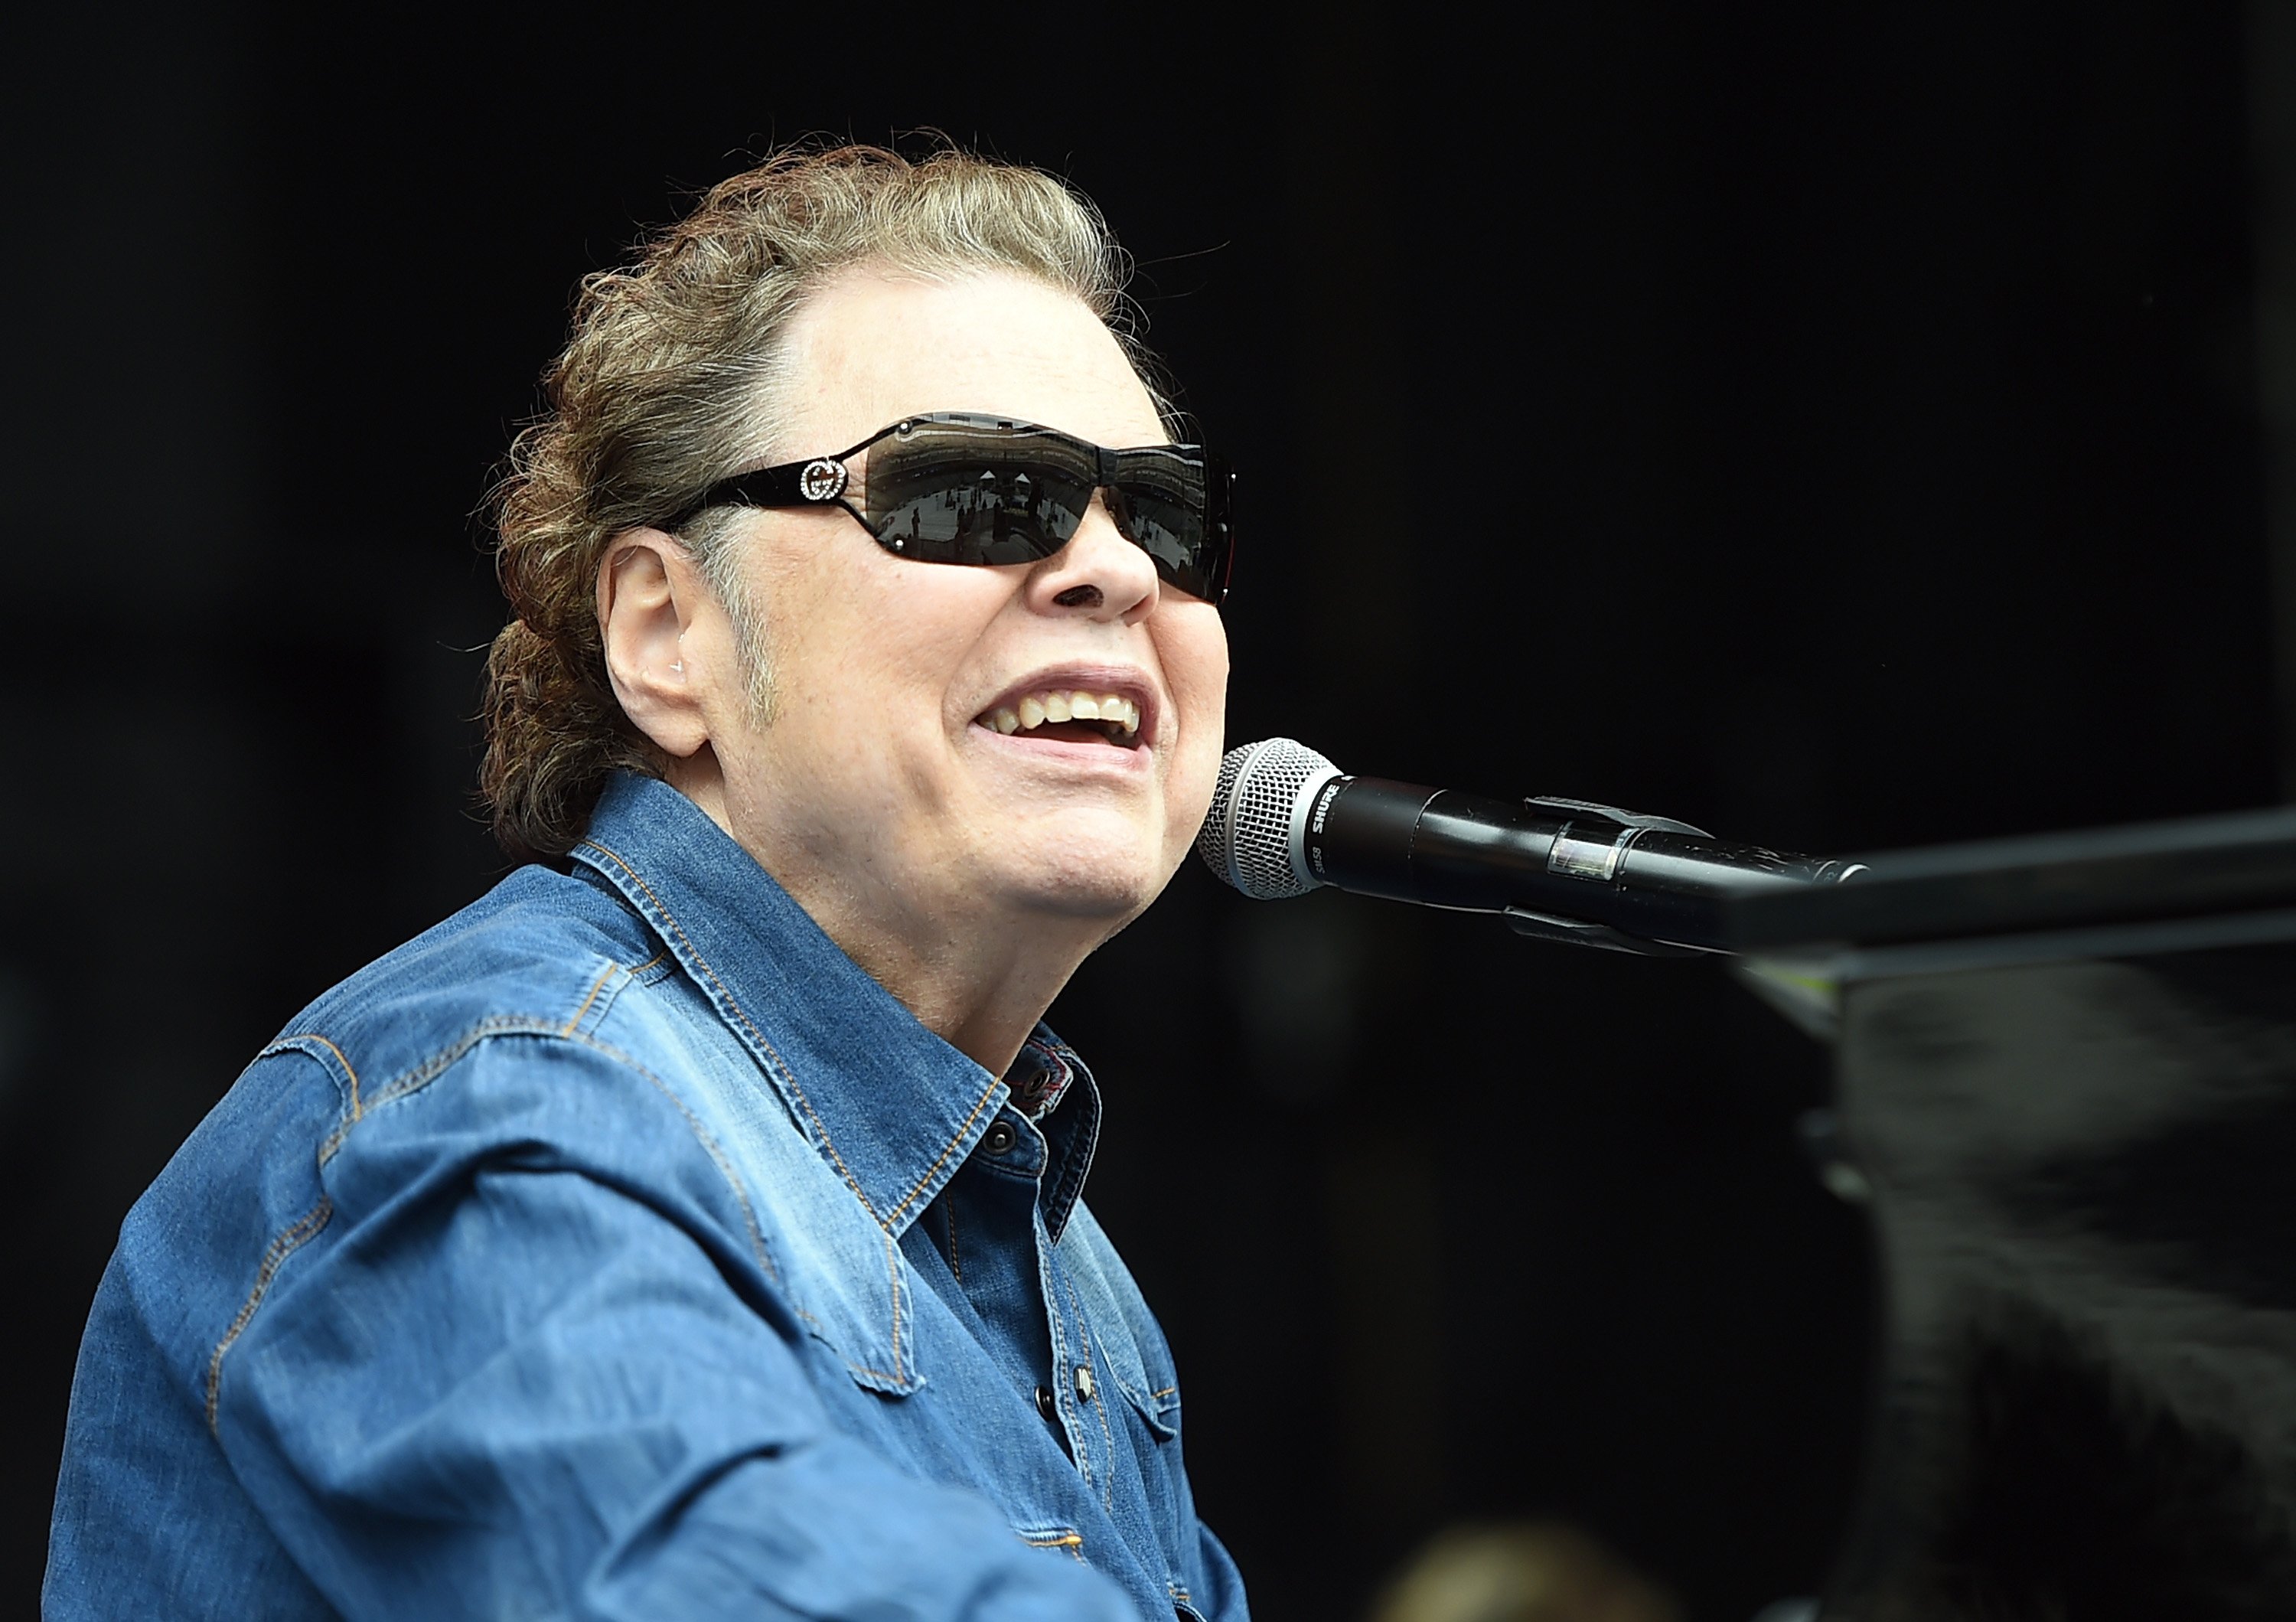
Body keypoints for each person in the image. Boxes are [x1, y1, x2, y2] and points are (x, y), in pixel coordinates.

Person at [44, 144, 1244, 1622]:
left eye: (1162, 516)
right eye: (979, 497)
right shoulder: (505, 1102)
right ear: (668, 633)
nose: (1118, 571)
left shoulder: (1078, 1285)